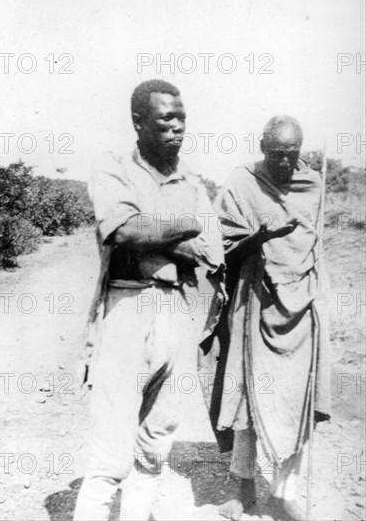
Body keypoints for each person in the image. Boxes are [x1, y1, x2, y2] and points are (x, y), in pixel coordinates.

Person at [73, 79, 225, 521]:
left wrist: (156, 234)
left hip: (176, 309)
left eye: (181, 119)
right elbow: (122, 231)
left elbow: (211, 251)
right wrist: (184, 229)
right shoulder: (112, 167)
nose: (177, 128)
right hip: (127, 307)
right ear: (138, 122)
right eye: (165, 119)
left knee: (157, 438)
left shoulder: (190, 179)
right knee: (110, 453)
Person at [207, 115, 331, 521]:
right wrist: (259, 238)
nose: (285, 163)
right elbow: (220, 249)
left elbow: (313, 243)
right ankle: (243, 487)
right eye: (278, 155)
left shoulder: (313, 183)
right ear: (262, 148)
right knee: (246, 393)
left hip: (302, 302)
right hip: (255, 299)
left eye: (293, 155)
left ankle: (285, 491)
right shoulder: (242, 182)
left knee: (298, 396)